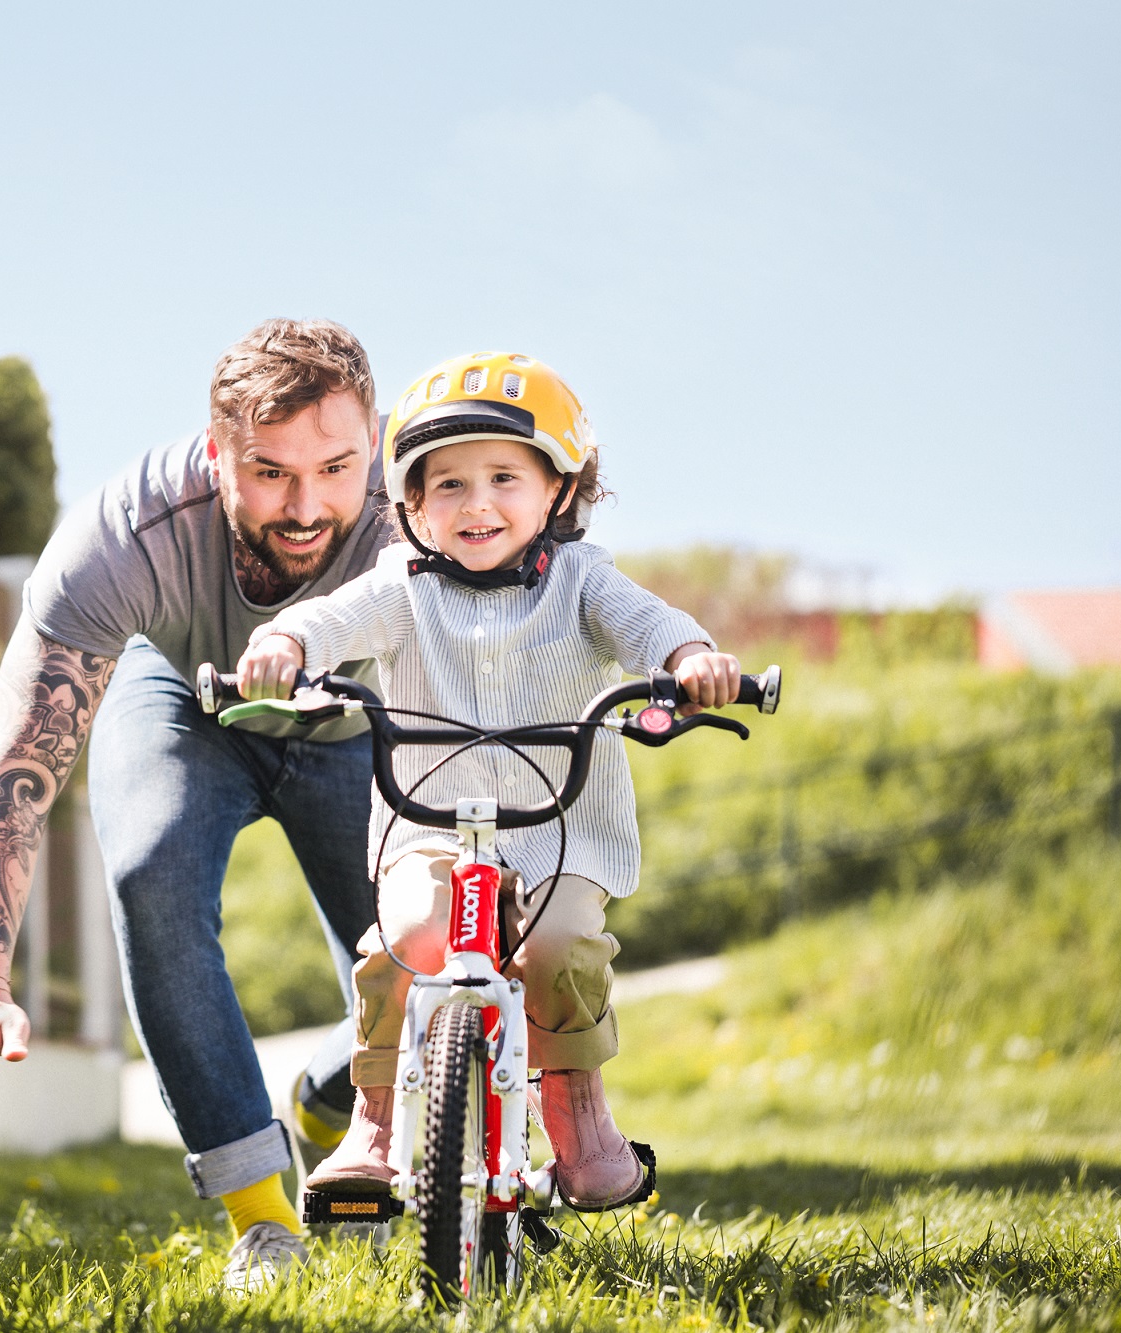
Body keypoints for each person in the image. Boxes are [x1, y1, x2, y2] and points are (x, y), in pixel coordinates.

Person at [0, 319, 401, 1290]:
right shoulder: (121, 540)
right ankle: (263, 1221)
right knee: (149, 869)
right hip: (190, 700)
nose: (307, 505)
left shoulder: (425, 505)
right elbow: (14, 769)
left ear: (375, 441)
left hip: (356, 727)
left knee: (415, 954)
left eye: (335, 467)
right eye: (268, 472)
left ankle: (324, 1099)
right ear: (212, 455)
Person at [232, 351, 740, 1210]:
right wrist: (287, 645)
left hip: (558, 830)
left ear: (559, 492)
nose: (477, 504)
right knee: (406, 938)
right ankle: (378, 1121)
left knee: (559, 948)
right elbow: (333, 616)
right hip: (427, 827)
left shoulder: (582, 582)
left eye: (505, 476)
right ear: (413, 506)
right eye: (449, 485)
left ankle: (579, 1121)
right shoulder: (403, 587)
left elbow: (648, 623)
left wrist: (690, 660)